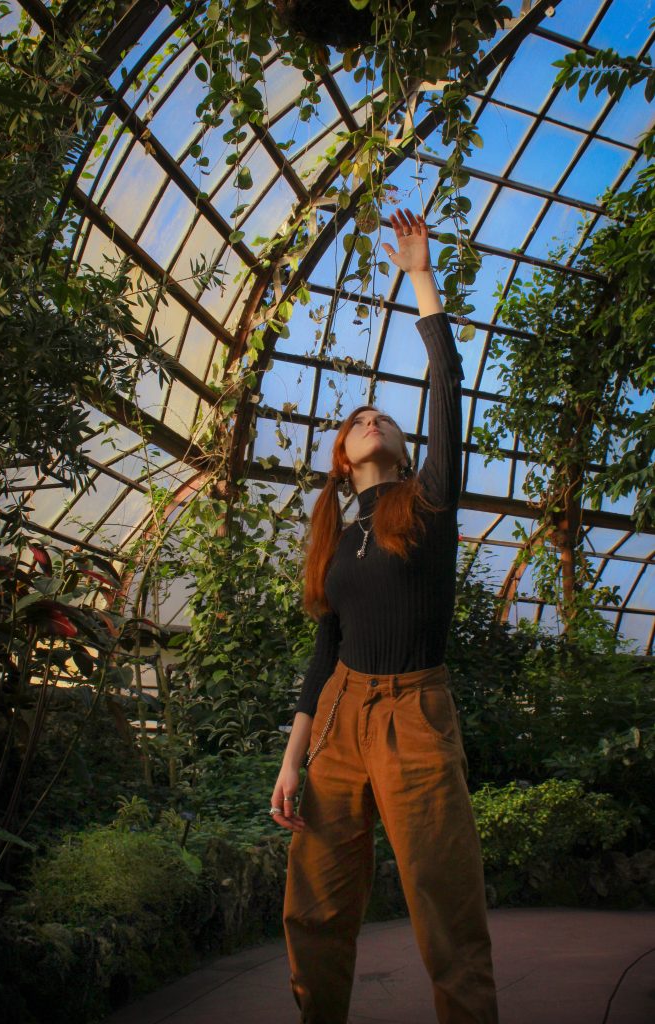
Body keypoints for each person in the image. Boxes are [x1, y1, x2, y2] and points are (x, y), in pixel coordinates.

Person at [270, 207, 499, 1024]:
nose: (369, 420)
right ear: (341, 456)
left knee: (443, 901)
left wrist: (419, 276)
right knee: (314, 903)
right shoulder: (335, 536)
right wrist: (292, 759)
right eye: (356, 421)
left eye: (383, 419)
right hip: (338, 719)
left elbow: (447, 386)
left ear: (401, 448)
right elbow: (324, 649)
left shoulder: (427, 503)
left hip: (412, 713)